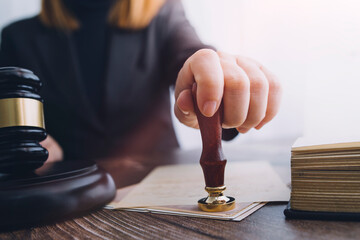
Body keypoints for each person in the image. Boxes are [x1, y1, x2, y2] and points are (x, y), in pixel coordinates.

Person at [0, 0, 282, 162]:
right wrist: (30, 146)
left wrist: (215, 75)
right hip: (71, 199)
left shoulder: (163, 13)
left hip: (160, 190)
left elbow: (189, 54)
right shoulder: (16, 38)